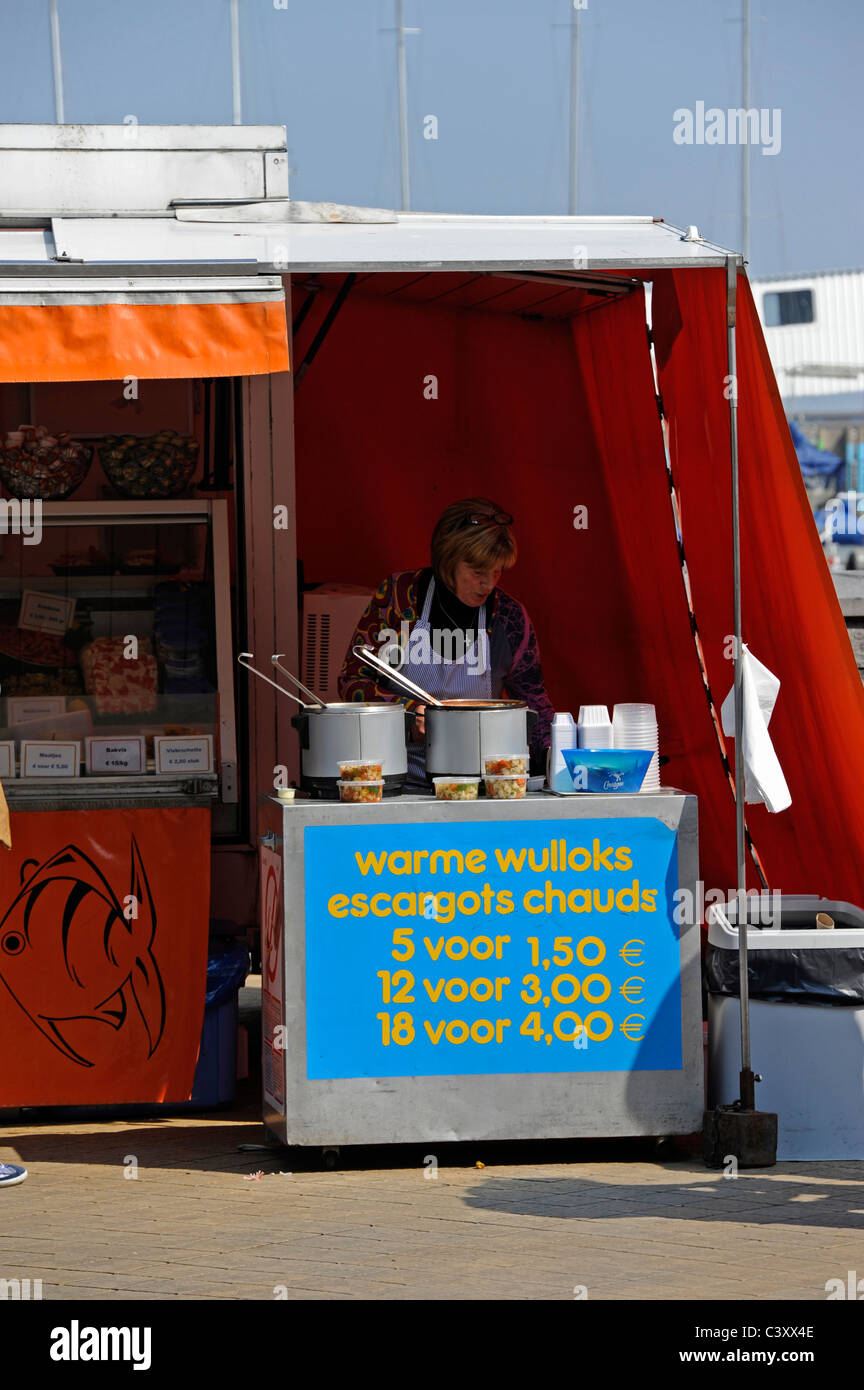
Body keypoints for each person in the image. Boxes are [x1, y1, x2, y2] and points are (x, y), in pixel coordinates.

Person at [339, 497, 555, 783]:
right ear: (447, 560)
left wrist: (557, 759)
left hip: (478, 786)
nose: (489, 584)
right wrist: (408, 715)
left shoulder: (509, 618)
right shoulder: (400, 596)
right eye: (477, 572)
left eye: (497, 571)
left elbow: (534, 706)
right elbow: (353, 681)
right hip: (393, 783)